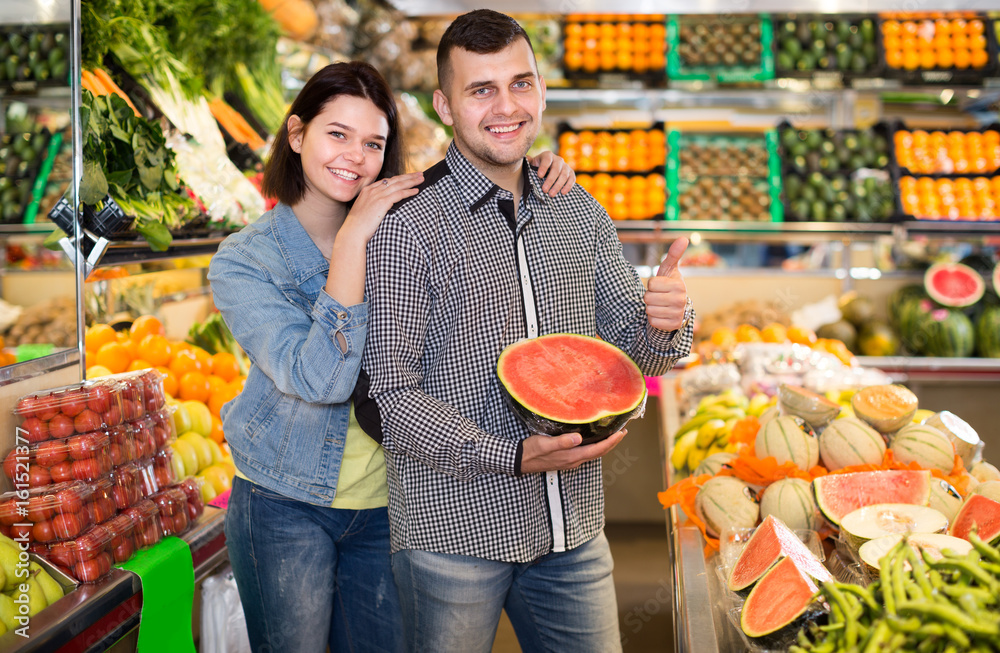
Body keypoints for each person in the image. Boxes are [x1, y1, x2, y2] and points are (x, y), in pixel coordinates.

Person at [206, 61, 577, 653]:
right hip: (284, 501)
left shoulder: (405, 227)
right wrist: (353, 237)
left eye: (374, 143)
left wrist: (532, 173)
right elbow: (320, 378)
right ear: (297, 135)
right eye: (337, 134)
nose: (355, 156)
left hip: (393, 502)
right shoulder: (244, 261)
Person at [361, 10, 695, 653]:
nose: (506, 106)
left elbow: (638, 350)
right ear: (444, 105)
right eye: (480, 90)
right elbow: (388, 397)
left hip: (572, 533)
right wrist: (509, 455)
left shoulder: (577, 210)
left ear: (541, 91)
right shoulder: (408, 227)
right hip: (450, 535)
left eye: (521, 84)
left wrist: (667, 319)